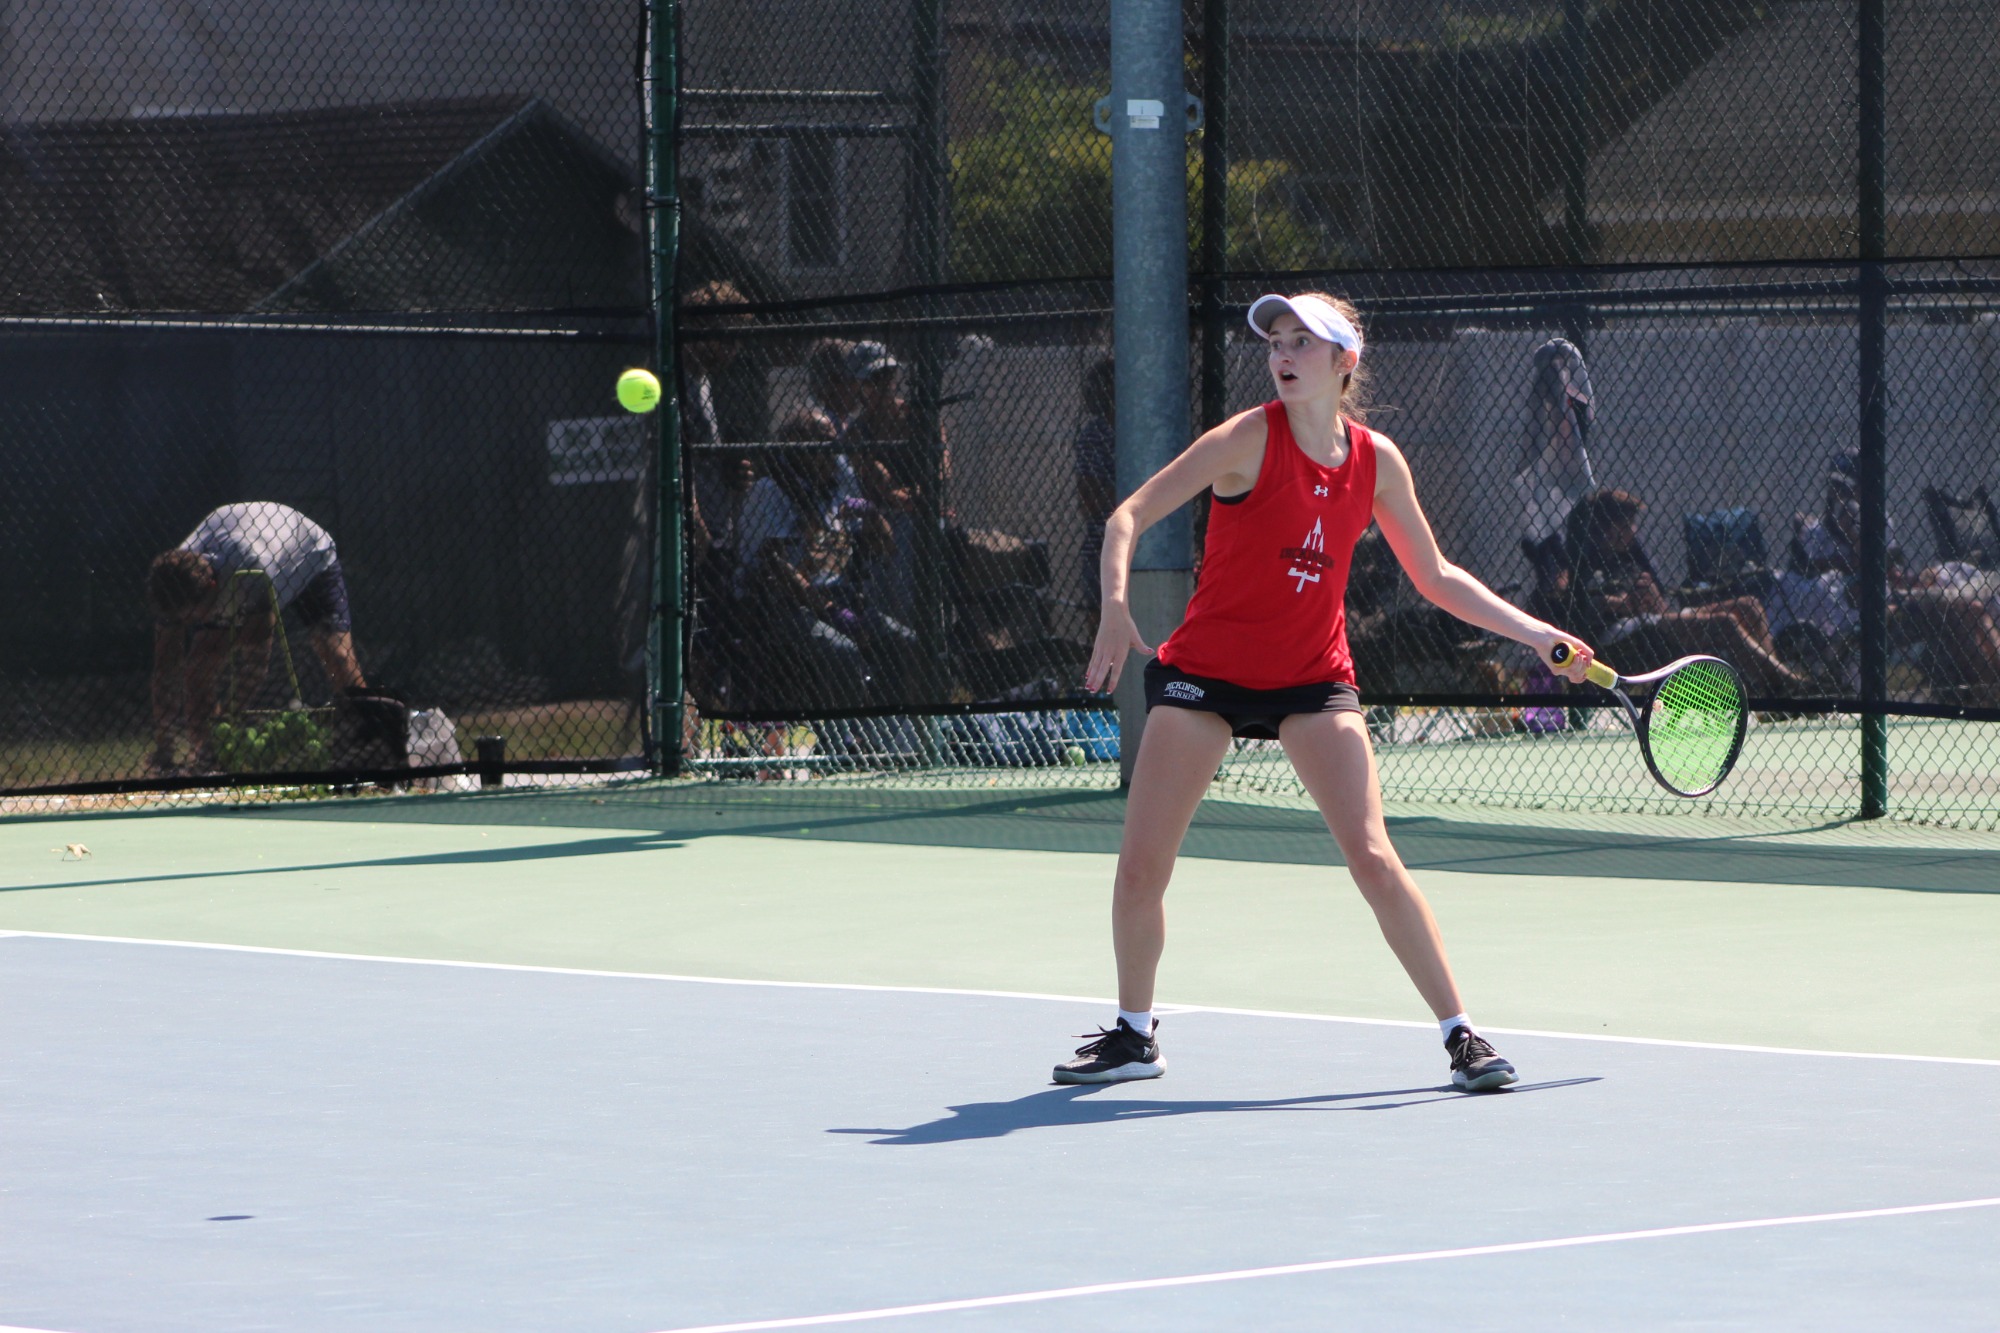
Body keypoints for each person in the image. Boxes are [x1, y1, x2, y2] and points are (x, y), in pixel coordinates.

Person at [1056, 291, 1596, 1093]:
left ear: (1346, 361)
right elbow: (1126, 517)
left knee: (1375, 857)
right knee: (1141, 869)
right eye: (1276, 340)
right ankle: (1135, 1035)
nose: (1284, 353)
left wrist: (1535, 632)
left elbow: (1438, 576)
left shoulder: (1378, 461)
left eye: (1304, 342)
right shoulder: (1246, 439)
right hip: (1207, 674)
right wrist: (1114, 605)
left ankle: (1463, 1037)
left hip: (1314, 679)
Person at [147, 501, 368, 772]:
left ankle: (369, 738)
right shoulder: (172, 584)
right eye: (183, 621)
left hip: (308, 558)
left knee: (336, 654)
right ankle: (208, 756)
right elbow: (165, 669)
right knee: (199, 667)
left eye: (194, 617)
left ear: (213, 587)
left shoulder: (252, 570)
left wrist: (229, 722)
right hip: (240, 558)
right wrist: (164, 745)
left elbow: (256, 663)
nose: (191, 625)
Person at [1560, 487, 1805, 698]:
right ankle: (1788, 682)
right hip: (1622, 634)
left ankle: (1774, 688)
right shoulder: (1588, 560)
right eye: (1627, 524)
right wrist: (1623, 603)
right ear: (1609, 528)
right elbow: (1585, 605)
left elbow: (1660, 605)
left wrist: (1654, 600)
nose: (1633, 531)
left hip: (1655, 621)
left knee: (1748, 605)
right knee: (1725, 623)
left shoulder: (1631, 557)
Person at [1073, 355, 1116, 612]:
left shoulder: (1139, 428)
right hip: (1102, 538)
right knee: (1098, 612)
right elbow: (1089, 498)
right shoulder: (1095, 433)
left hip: (1145, 533)